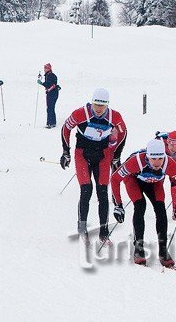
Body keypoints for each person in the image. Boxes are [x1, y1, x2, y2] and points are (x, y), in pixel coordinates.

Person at [59, 88, 127, 246]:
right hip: (82, 153)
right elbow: (66, 128)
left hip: (103, 155)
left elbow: (124, 133)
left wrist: (116, 154)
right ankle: (82, 227)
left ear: (107, 106)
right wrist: (65, 151)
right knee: (86, 190)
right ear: (91, 103)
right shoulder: (80, 113)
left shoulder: (114, 116)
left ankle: (104, 233)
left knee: (103, 193)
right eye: (96, 105)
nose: (98, 109)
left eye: (102, 106)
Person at [111, 138, 176, 267]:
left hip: (155, 183)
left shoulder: (169, 163)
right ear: (147, 156)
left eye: (160, 159)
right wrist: (118, 205)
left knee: (161, 210)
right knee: (140, 206)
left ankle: (163, 251)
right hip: (134, 181)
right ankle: (138, 249)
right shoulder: (136, 162)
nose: (157, 163)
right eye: (153, 159)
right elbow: (115, 179)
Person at [38, 63, 60, 128]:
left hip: (52, 93)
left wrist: (42, 83)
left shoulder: (49, 75)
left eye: (45, 68)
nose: (44, 69)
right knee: (51, 107)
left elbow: (49, 84)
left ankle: (49, 123)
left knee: (50, 108)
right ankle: (53, 123)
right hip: (54, 93)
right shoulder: (50, 75)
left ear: (48, 69)